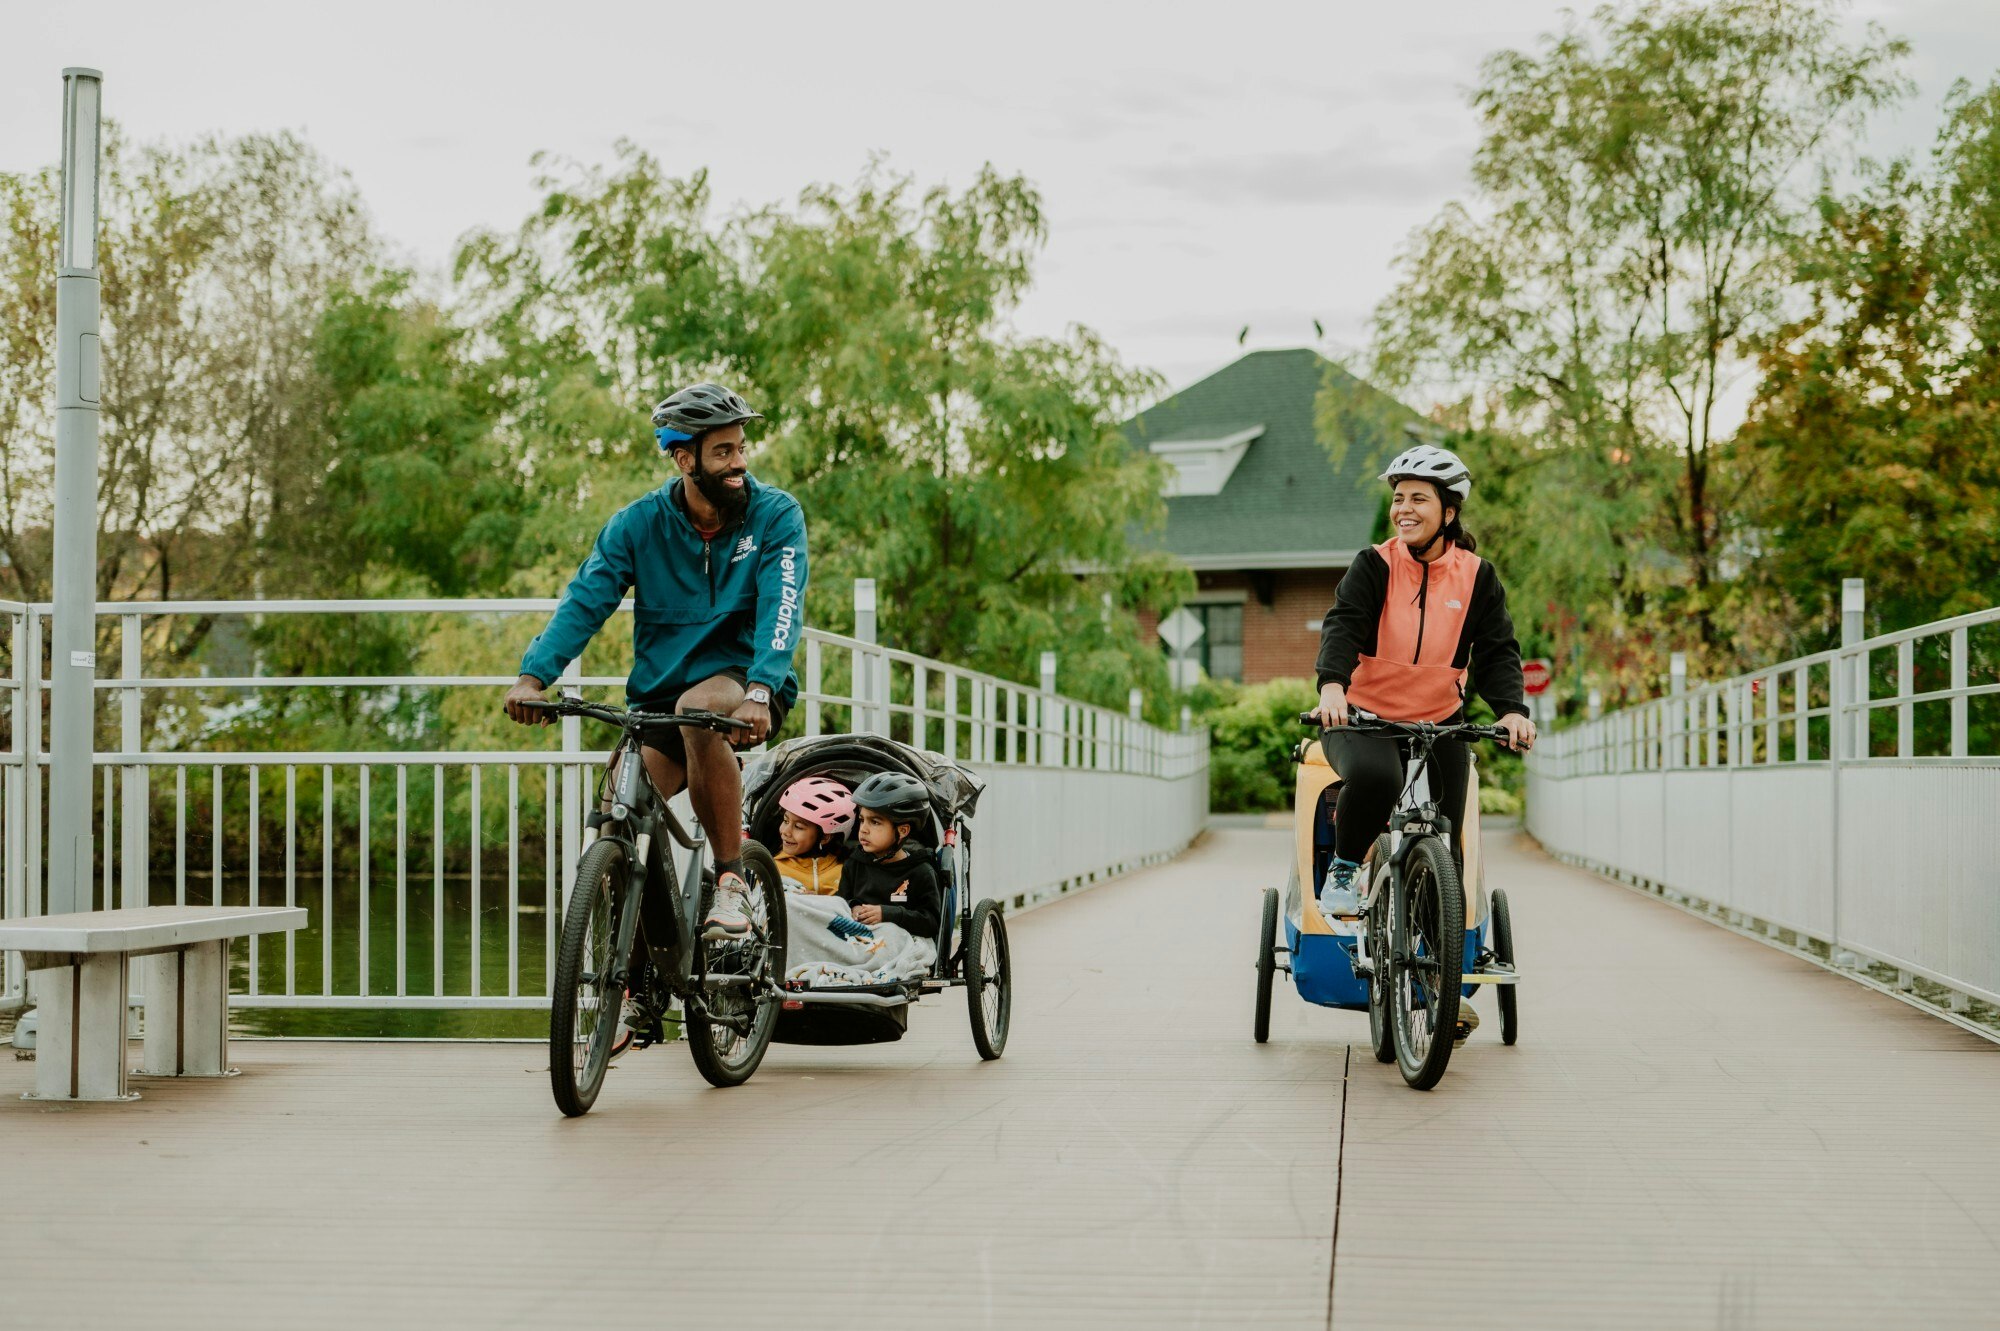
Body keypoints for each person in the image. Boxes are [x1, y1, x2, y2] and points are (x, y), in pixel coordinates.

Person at [502, 382, 809, 941]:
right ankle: (636, 975)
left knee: (698, 711)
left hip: (745, 681)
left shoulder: (775, 515)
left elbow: (782, 606)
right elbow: (585, 601)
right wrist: (533, 677)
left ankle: (732, 880)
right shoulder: (638, 524)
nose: (739, 462)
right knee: (618, 813)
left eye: (741, 448)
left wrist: (762, 687)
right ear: (685, 459)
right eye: (723, 452)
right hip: (658, 696)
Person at [1308, 443, 1535, 923]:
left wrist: (1512, 710)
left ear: (1448, 512)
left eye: (1418, 499)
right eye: (1398, 499)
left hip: (1439, 720)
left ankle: (1437, 952)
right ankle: (1345, 869)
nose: (1403, 510)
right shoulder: (1375, 565)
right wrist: (1332, 686)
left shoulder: (1477, 577)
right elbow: (1343, 624)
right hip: (1362, 716)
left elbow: (1497, 649)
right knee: (1379, 779)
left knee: (1446, 840)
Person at [837, 772, 942, 942]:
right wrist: (853, 907)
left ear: (902, 831)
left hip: (901, 943)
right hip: (858, 941)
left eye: (875, 822)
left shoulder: (921, 872)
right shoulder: (854, 863)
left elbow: (931, 923)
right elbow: (841, 902)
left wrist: (888, 914)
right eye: (862, 820)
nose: (863, 829)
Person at [774, 776, 853, 895]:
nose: (785, 831)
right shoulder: (773, 868)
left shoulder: (849, 870)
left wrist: (820, 902)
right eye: (785, 821)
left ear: (825, 837)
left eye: (798, 827)